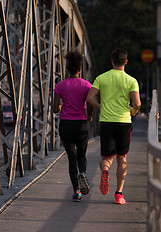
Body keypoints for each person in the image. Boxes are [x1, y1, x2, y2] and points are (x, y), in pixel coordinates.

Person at [86, 48, 141, 205]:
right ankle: (119, 194)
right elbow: (137, 103)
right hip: (124, 123)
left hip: (107, 122)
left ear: (112, 61)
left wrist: (99, 107)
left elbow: (90, 98)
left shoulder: (102, 78)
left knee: (106, 158)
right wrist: (133, 111)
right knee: (122, 157)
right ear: (126, 62)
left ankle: (104, 170)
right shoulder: (131, 80)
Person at [53, 51, 93, 202]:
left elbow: (55, 109)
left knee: (72, 158)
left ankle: (77, 191)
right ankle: (82, 173)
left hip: (66, 125)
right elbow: (90, 104)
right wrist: (88, 116)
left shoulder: (61, 85)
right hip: (82, 124)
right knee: (82, 154)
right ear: (80, 69)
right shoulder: (87, 85)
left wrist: (63, 105)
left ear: (68, 69)